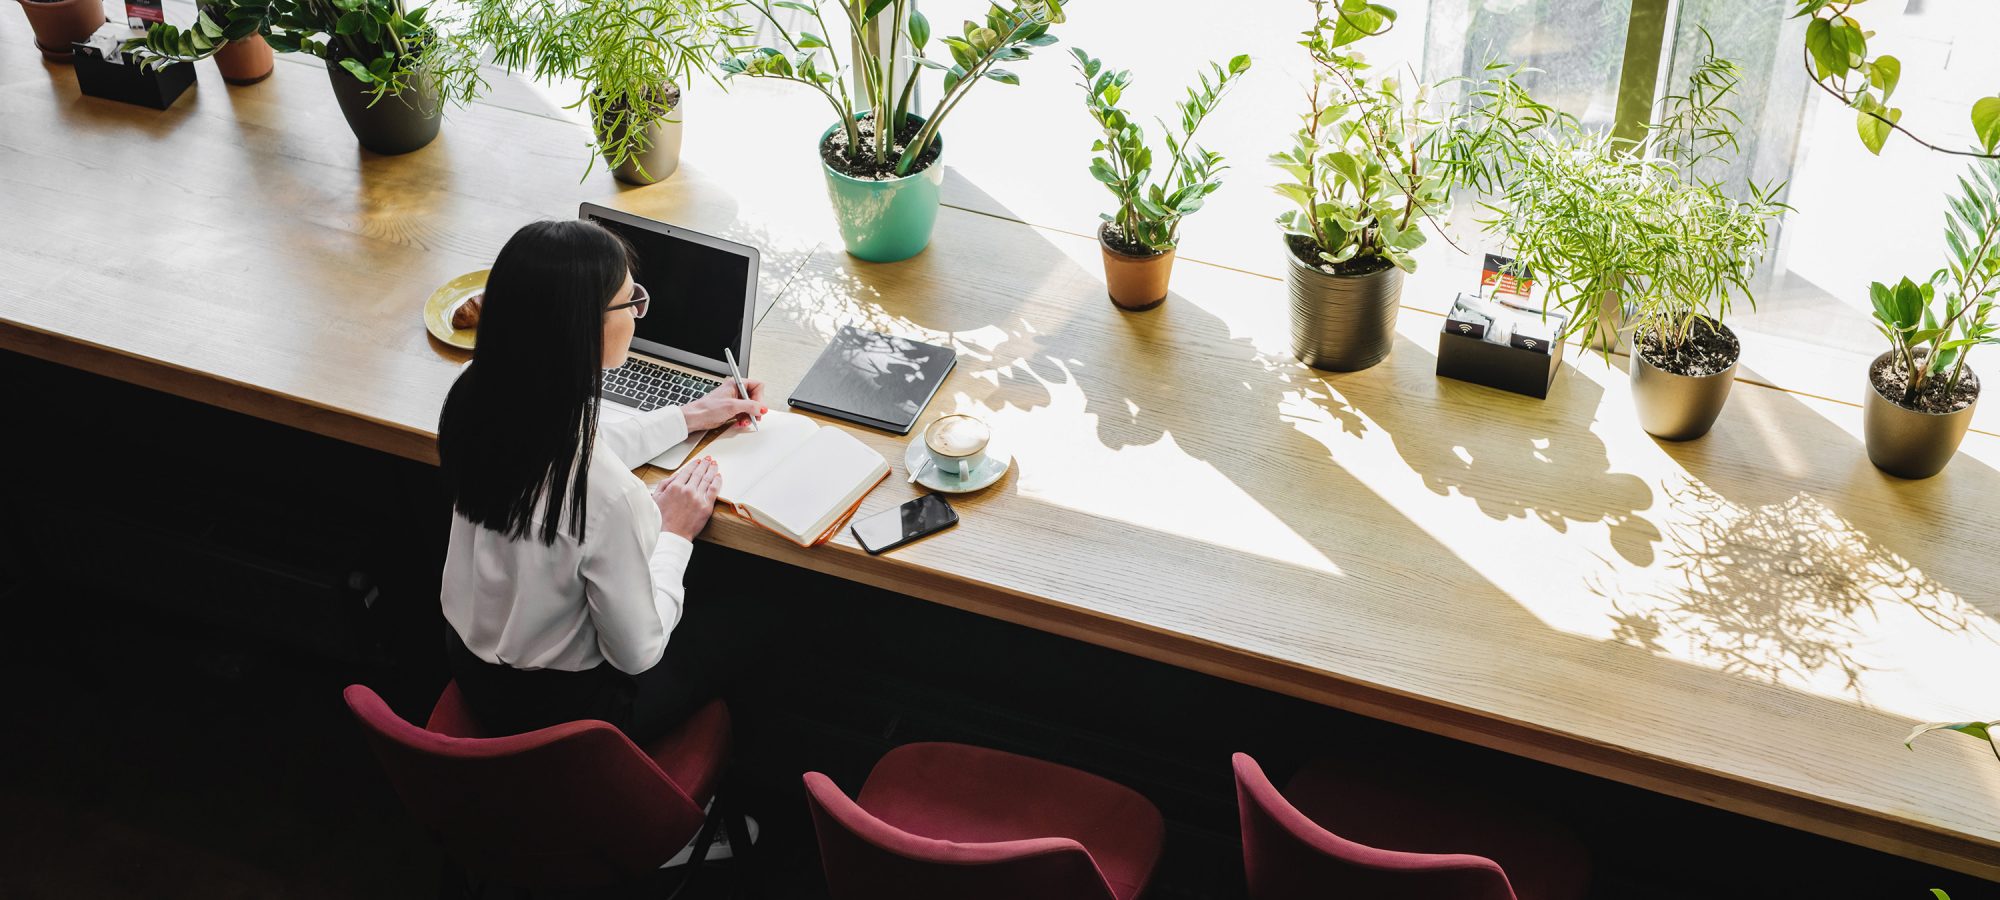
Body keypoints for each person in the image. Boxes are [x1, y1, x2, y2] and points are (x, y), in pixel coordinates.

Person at [435, 219, 767, 743]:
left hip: (468, 665)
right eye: (630, 300)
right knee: (760, 610)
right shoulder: (609, 496)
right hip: (570, 718)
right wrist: (676, 535)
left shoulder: (476, 398)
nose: (638, 311)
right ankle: (711, 802)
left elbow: (578, 451)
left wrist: (689, 416)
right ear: (586, 326)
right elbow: (637, 654)